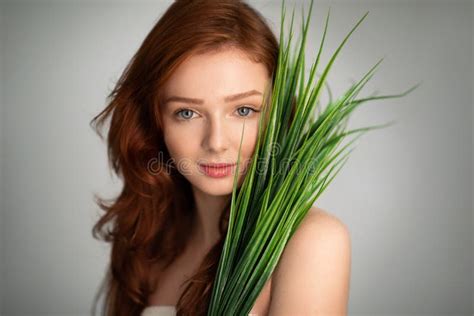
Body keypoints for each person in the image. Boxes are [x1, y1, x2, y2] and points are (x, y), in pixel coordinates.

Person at [90, 0, 351, 315]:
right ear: (154, 123)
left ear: (278, 115)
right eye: (186, 112)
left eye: (243, 110)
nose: (216, 142)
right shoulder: (149, 240)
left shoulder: (311, 242)